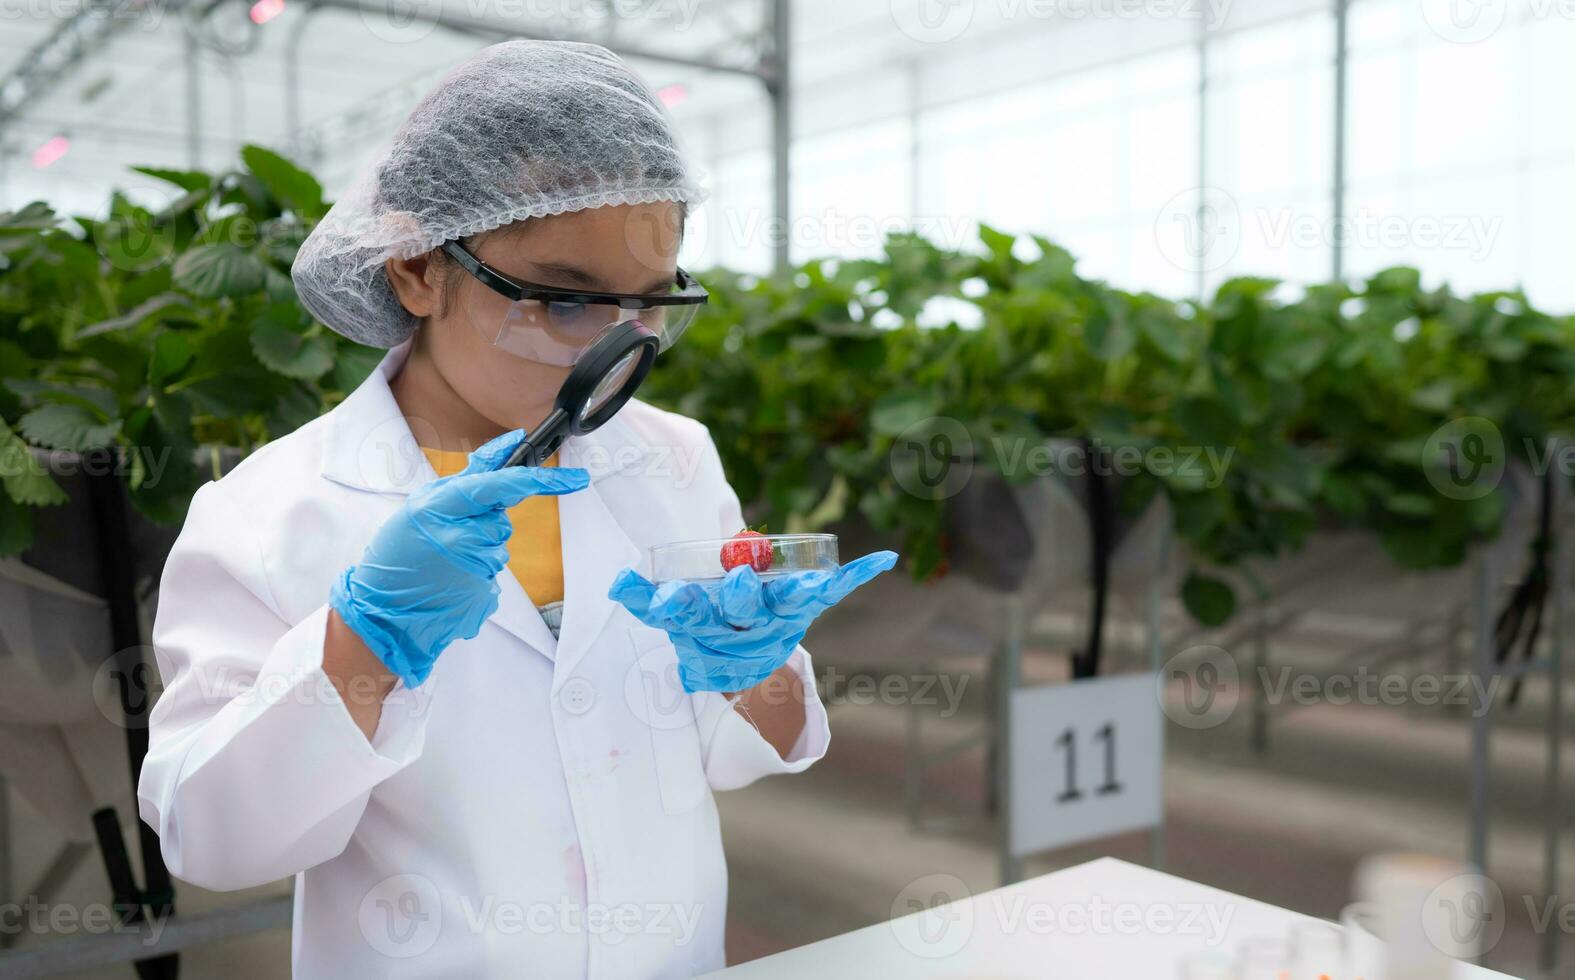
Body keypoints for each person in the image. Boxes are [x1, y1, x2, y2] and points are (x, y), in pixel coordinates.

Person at [137, 41, 894, 978]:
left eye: (650, 304)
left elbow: (748, 750)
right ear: (417, 267)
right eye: (562, 299)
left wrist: (757, 666)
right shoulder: (268, 511)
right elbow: (214, 842)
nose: (613, 347)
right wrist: (362, 648)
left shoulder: (669, 457)